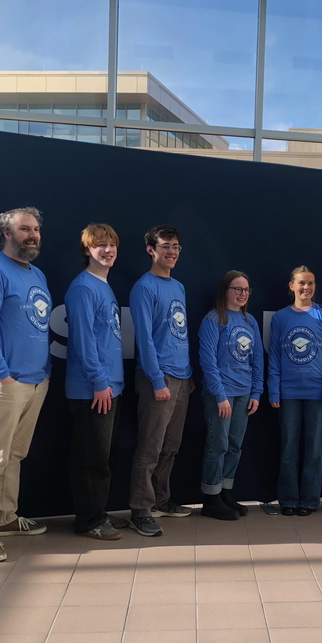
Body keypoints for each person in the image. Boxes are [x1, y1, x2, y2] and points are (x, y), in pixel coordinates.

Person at [0, 206, 51, 562]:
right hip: (2, 383)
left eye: (35, 229)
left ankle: (5, 518)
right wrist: (0, 373)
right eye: (24, 229)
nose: (32, 235)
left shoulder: (38, 275)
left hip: (35, 382)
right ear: (6, 233)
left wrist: (42, 371)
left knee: (15, 455)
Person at [129, 224, 194, 537]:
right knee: (150, 448)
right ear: (151, 250)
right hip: (158, 377)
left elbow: (178, 334)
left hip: (182, 377)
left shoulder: (178, 287)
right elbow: (144, 338)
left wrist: (189, 374)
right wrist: (157, 381)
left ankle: (162, 500)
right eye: (166, 246)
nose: (172, 252)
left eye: (176, 247)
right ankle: (140, 510)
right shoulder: (144, 287)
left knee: (171, 446)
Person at [64, 224, 126, 541]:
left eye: (111, 244)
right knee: (91, 459)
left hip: (109, 387)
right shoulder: (83, 288)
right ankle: (88, 520)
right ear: (87, 250)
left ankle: (98, 511)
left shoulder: (103, 285)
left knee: (103, 457)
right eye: (99, 245)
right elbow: (84, 342)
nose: (107, 250)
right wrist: (99, 381)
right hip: (92, 390)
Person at [269, 266, 322, 516]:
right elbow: (274, 356)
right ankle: (288, 499)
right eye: (301, 283)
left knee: (314, 450)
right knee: (288, 448)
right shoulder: (280, 318)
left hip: (318, 394)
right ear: (291, 286)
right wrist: (274, 390)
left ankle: (309, 501)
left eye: (310, 283)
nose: (306, 288)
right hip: (287, 394)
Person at [198, 271, 264, 520]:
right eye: (238, 289)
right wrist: (219, 395)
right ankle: (211, 498)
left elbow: (257, 360)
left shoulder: (250, 321)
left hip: (244, 393)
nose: (243, 294)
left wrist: (256, 391)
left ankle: (225, 492)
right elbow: (207, 361)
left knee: (235, 446)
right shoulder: (214, 320)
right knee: (218, 445)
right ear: (225, 290)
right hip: (222, 395)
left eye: (247, 290)